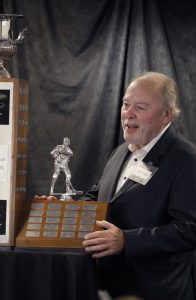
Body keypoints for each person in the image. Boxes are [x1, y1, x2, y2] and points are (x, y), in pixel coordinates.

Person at [38, 72, 196, 299]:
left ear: (167, 115)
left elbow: (190, 229)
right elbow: (98, 197)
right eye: (125, 104)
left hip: (156, 289)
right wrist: (64, 209)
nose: (128, 114)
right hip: (109, 285)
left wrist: (127, 241)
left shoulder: (185, 158)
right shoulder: (122, 150)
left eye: (140, 107)